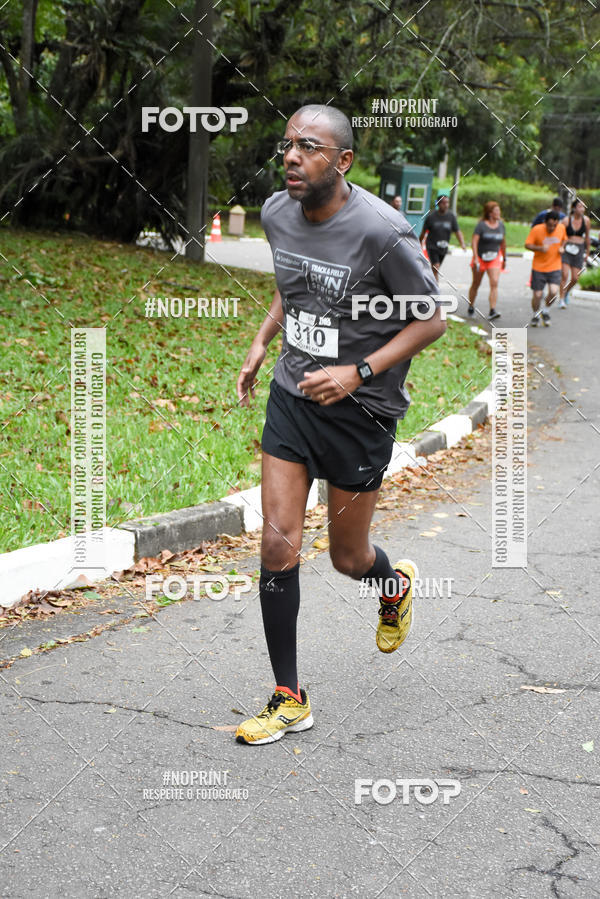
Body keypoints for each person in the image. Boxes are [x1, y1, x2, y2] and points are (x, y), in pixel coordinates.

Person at [234, 104, 445, 745]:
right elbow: (289, 282)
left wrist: (359, 370)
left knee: (348, 559)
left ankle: (393, 583)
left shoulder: (382, 231)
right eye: (288, 145)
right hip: (294, 397)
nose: (292, 157)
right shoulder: (276, 212)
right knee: (278, 545)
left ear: (342, 160)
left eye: (309, 147)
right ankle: (288, 696)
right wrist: (262, 340)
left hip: (360, 413)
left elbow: (431, 317)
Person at [524, 210, 567, 327]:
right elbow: (527, 245)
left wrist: (562, 247)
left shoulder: (561, 228)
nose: (552, 228)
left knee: (553, 292)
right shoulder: (537, 229)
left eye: (555, 225)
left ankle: (546, 311)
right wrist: (539, 248)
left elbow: (564, 239)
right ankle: (536, 314)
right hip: (539, 267)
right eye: (550, 225)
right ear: (545, 222)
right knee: (537, 295)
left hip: (555, 266)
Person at [467, 201, 506, 320]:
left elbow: (503, 243)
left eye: (499, 210)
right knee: (476, 284)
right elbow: (474, 242)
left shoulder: (501, 225)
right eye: (496, 211)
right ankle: (471, 306)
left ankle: (492, 310)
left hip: (494, 258)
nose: (499, 213)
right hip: (480, 258)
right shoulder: (481, 226)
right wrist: (475, 258)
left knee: (494, 282)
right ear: (490, 213)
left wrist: (504, 258)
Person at [419, 193, 467, 282]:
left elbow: (457, 231)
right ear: (438, 204)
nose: (446, 205)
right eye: (443, 203)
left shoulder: (451, 216)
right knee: (436, 267)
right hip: (432, 246)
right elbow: (423, 233)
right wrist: (418, 244)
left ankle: (428, 281)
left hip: (443, 247)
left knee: (435, 268)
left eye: (447, 203)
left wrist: (462, 243)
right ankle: (435, 290)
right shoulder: (431, 217)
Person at [558, 198, 590, 308]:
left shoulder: (586, 221)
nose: (583, 209)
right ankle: (561, 299)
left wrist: (587, 252)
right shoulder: (566, 220)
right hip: (567, 249)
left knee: (575, 278)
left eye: (583, 207)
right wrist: (560, 247)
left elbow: (587, 237)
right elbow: (559, 235)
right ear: (574, 208)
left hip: (579, 249)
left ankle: (566, 292)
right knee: (564, 275)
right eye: (580, 206)